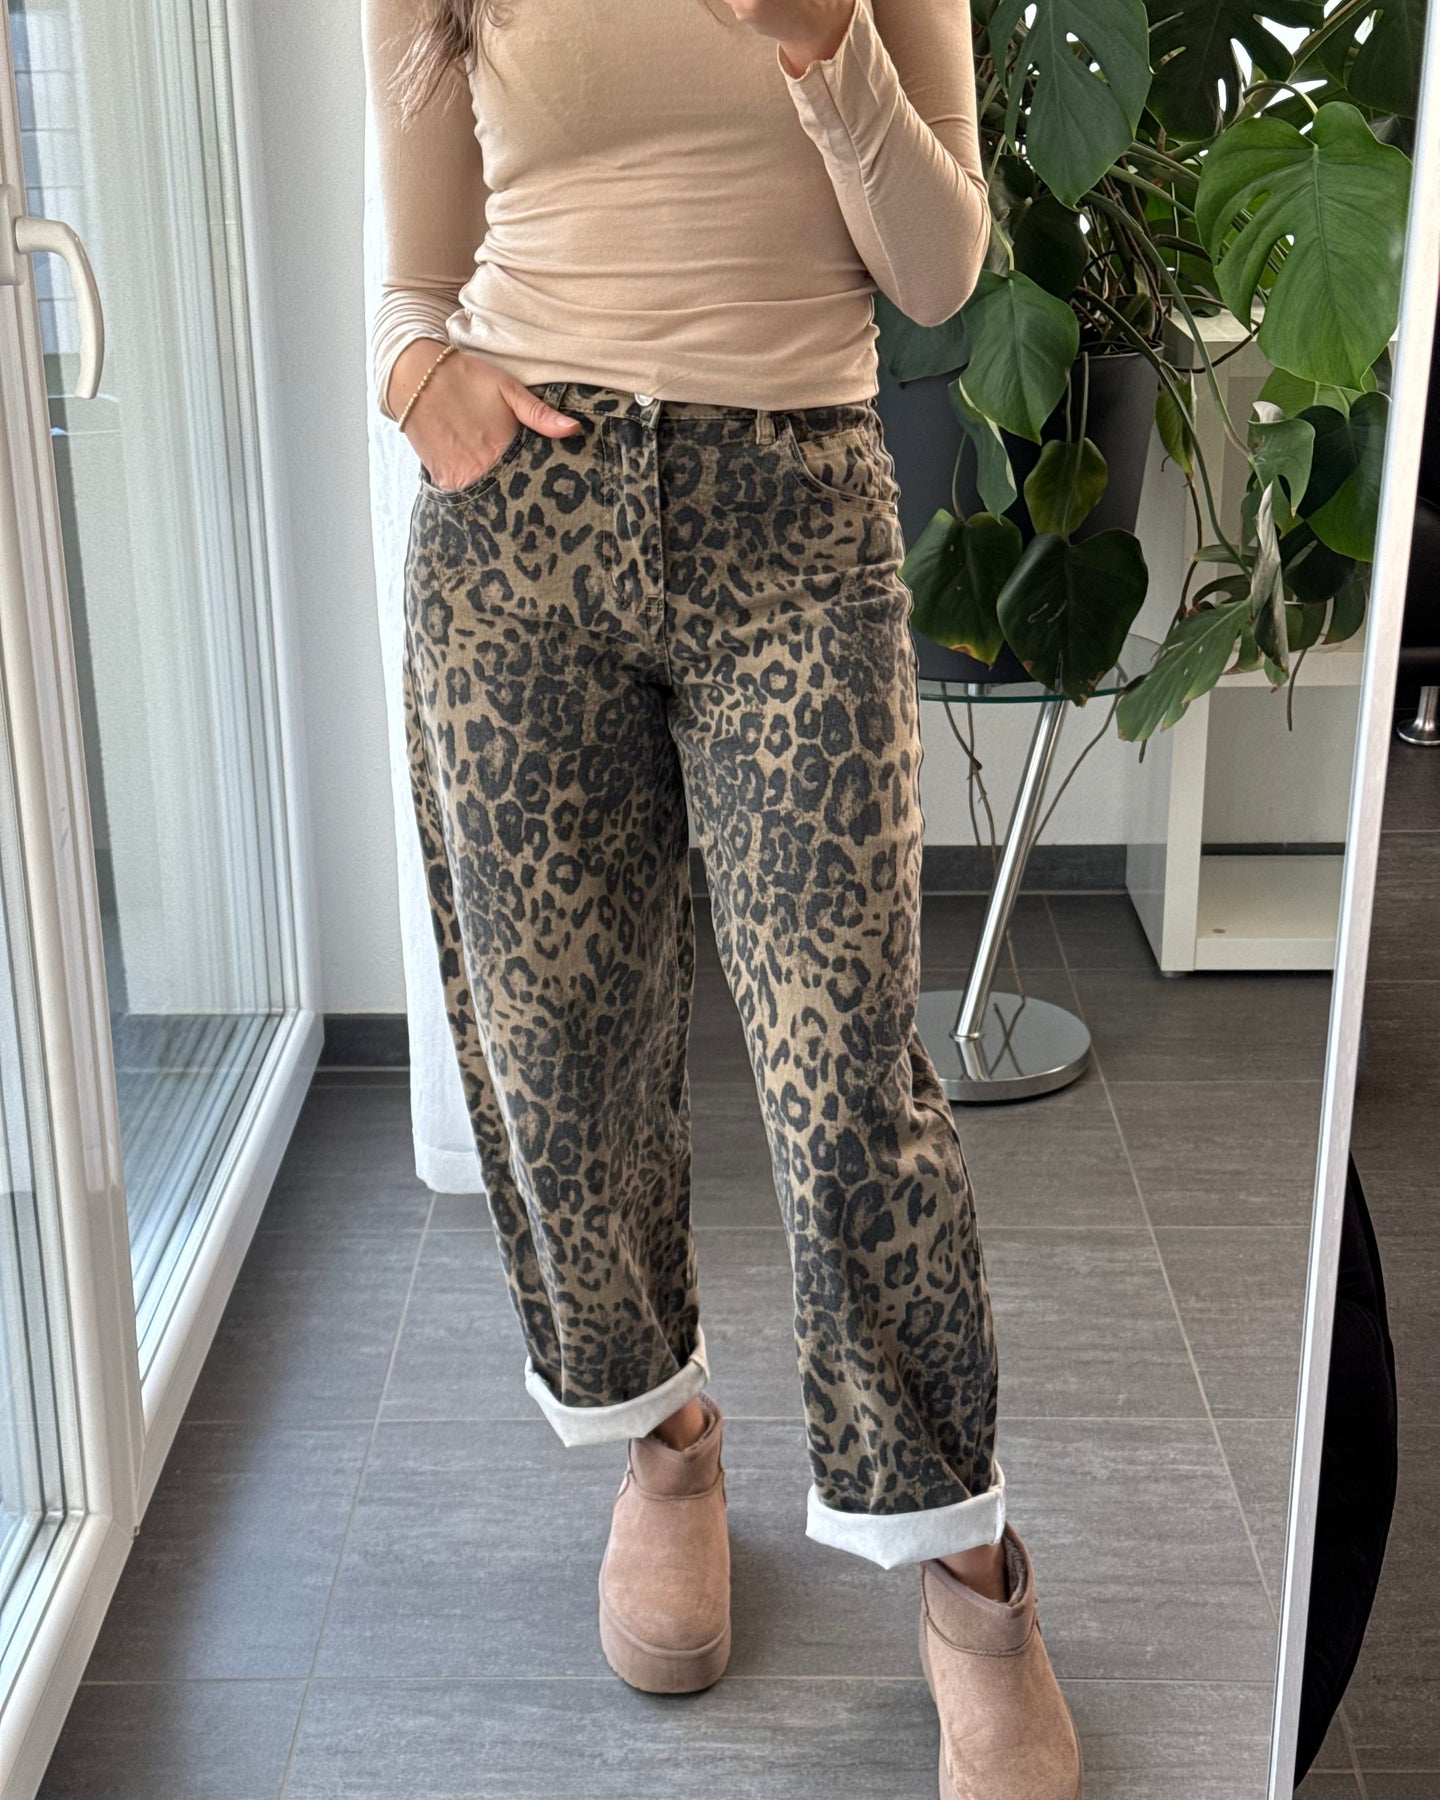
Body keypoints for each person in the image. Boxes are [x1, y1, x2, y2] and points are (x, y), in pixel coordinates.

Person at [362, 2, 1082, 1793]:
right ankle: (668, 1441)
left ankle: (969, 1574)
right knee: (560, 1056)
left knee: (847, 1088)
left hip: (797, 523)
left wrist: (825, 42)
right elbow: (415, 277)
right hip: (520, 530)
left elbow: (938, 275)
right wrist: (415, 378)